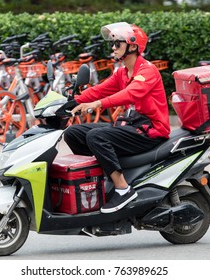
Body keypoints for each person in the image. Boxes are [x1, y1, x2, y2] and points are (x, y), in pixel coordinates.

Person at [64, 22, 170, 213]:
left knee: (96, 136)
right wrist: (70, 102)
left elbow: (130, 94)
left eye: (117, 44)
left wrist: (98, 104)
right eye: (112, 44)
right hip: (131, 126)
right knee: (73, 133)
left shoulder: (147, 71)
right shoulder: (122, 73)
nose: (113, 48)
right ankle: (101, 179)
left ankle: (123, 189)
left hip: (150, 131)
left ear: (132, 46)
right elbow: (99, 90)